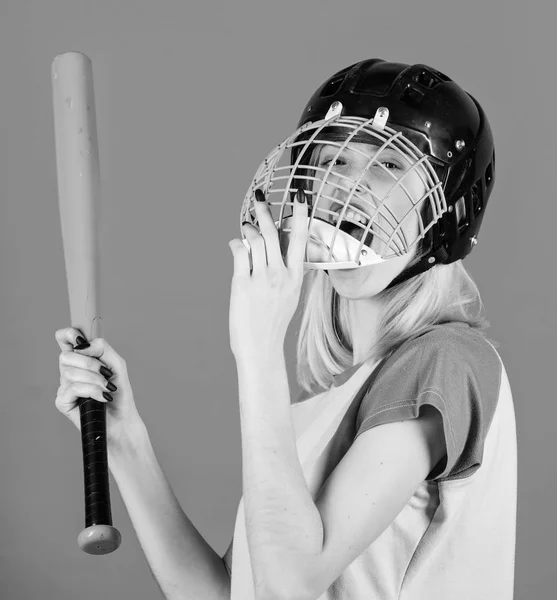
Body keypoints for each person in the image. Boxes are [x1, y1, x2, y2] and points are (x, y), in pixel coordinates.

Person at [55, 59, 517, 600]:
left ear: (449, 216)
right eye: (336, 159)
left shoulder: (446, 361)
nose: (355, 187)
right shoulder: (320, 409)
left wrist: (256, 349)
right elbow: (231, 595)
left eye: (390, 165)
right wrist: (124, 441)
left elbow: (287, 585)